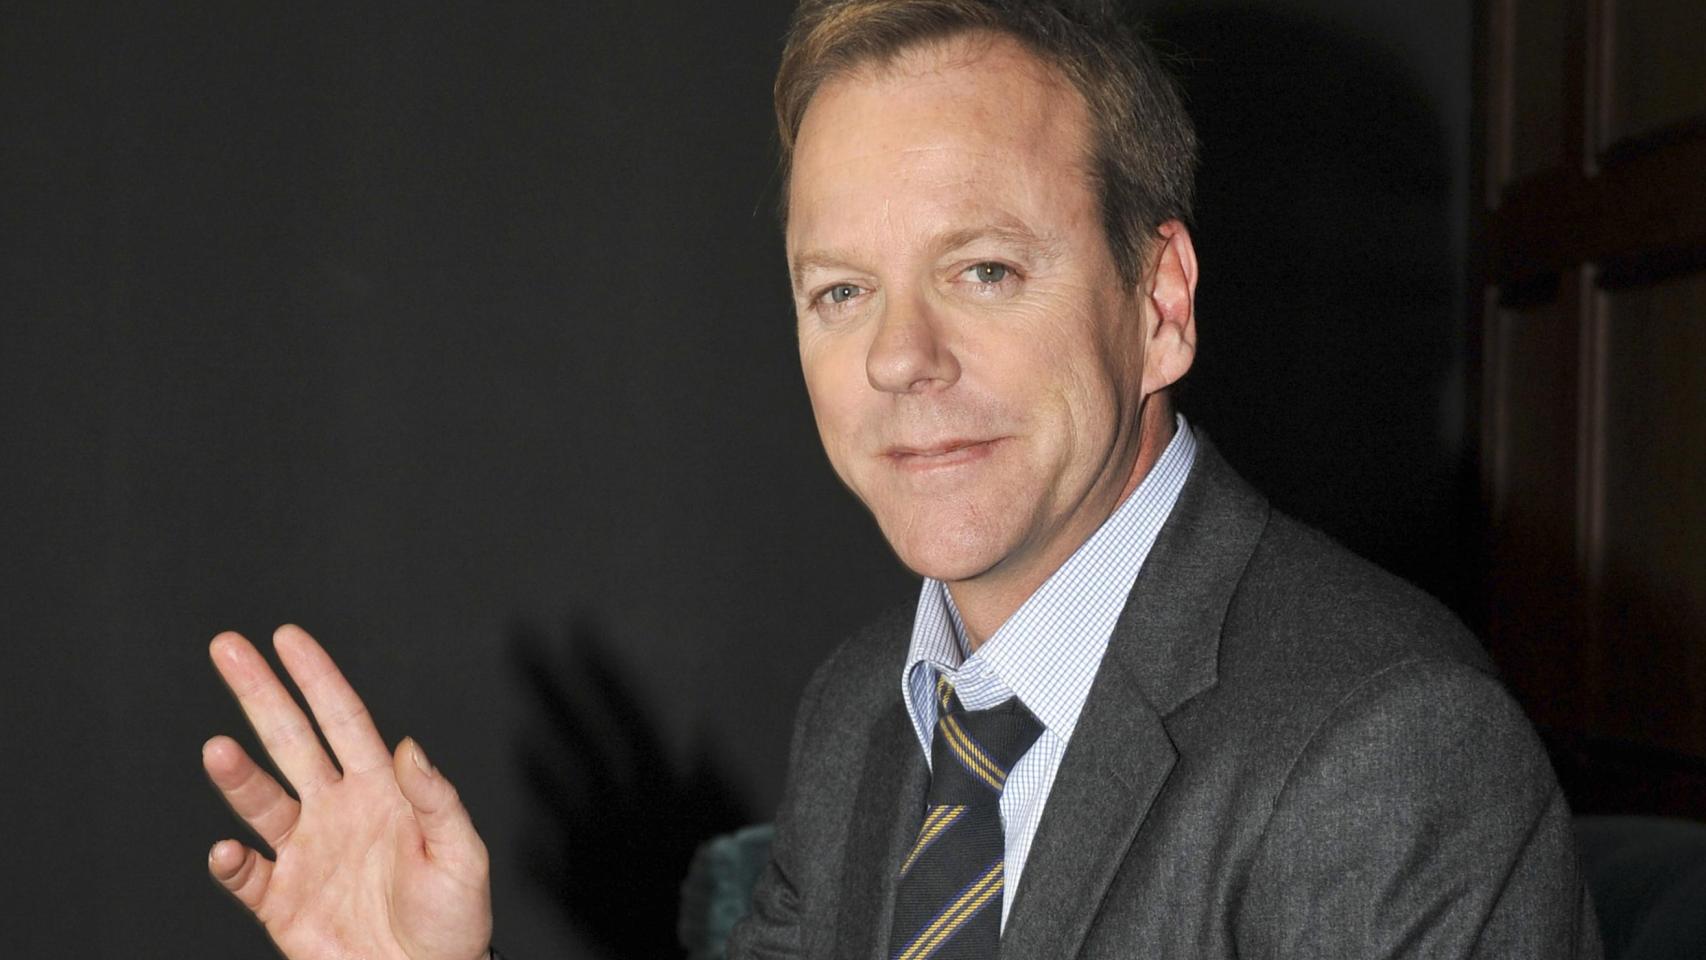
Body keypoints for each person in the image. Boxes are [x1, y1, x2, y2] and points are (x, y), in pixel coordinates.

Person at [202, 1, 1602, 958]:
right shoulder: (869, 706)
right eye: (840, 291)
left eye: (980, 270)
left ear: (1160, 301)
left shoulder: (1392, 750)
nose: (897, 359)